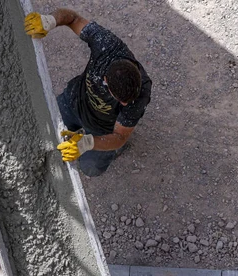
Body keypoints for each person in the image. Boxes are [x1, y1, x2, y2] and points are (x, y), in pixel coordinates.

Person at [24, 8, 152, 177]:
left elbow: (120, 135)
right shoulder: (107, 47)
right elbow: (73, 18)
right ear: (105, 80)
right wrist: (49, 21)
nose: (125, 105)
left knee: (90, 168)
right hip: (73, 101)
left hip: (104, 129)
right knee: (46, 128)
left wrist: (87, 143)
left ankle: (114, 151)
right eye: (120, 100)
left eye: (127, 101)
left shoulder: (140, 92)